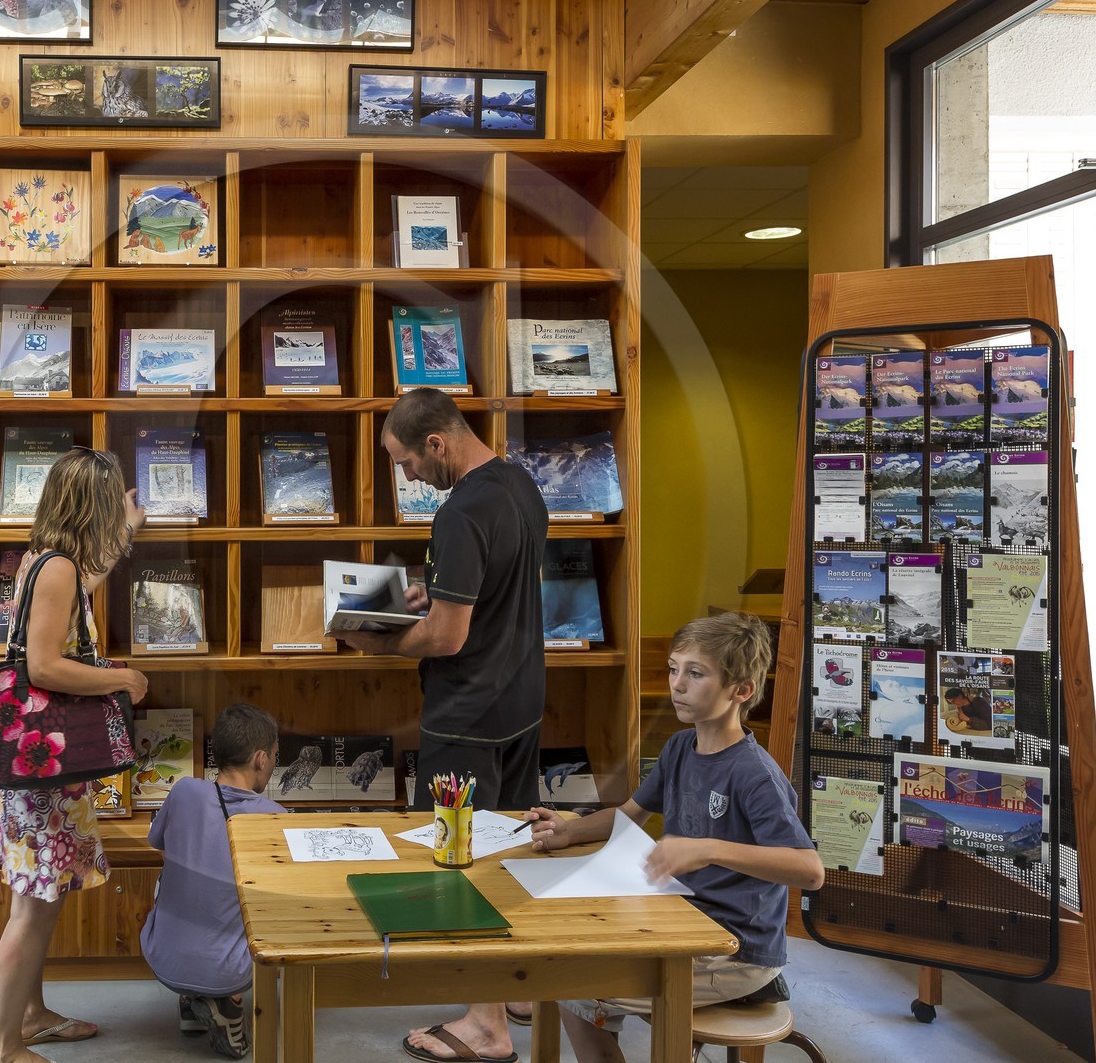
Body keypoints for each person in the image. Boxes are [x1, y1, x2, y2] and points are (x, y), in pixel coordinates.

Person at [334, 387, 547, 1063]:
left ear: (436, 443)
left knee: (461, 864)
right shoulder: (519, 484)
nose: (407, 477)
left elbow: (448, 639)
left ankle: (486, 1026)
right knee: (510, 854)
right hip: (519, 706)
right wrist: (427, 594)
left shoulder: (460, 511)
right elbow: (491, 592)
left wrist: (375, 640)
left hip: (466, 717)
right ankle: (516, 989)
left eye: (405, 462)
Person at [523, 613, 825, 1063]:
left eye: (696, 673)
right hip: (679, 923)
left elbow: (809, 870)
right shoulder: (680, 748)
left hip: (736, 951)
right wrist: (570, 831)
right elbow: (629, 814)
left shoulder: (754, 774)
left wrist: (707, 849)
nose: (677, 684)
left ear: (741, 690)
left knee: (571, 980)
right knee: (560, 955)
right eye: (673, 668)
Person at [0, 447, 149, 1063]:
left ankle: (32, 1015)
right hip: (44, 776)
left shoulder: (48, 563)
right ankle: (4, 1048)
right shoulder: (55, 571)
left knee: (37, 898)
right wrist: (120, 680)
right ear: (92, 506)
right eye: (113, 504)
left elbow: (83, 586)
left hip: (36, 765)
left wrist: (128, 530)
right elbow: (43, 665)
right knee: (34, 908)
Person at [140, 702, 284, 1059]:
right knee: (272, 902)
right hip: (229, 971)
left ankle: (191, 1000)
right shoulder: (274, 817)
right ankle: (228, 1003)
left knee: (175, 877)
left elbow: (158, 843)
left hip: (162, 957)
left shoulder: (184, 790)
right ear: (261, 759)